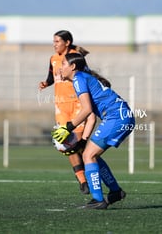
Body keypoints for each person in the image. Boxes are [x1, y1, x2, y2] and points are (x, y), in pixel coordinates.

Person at [52, 52, 135, 209]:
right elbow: (90, 116)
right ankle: (115, 192)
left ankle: (98, 200)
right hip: (121, 117)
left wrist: (67, 128)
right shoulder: (83, 77)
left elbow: (86, 109)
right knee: (90, 154)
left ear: (73, 67)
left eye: (63, 64)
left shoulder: (78, 79)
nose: (60, 67)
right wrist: (83, 141)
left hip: (116, 117)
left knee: (88, 156)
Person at [39, 30, 96, 195]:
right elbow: (51, 77)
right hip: (61, 107)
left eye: (57, 41)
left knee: (78, 144)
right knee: (66, 144)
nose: (54, 44)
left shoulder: (75, 58)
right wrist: (46, 83)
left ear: (67, 42)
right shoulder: (53, 59)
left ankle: (92, 173)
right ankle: (83, 181)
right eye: (54, 41)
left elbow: (87, 76)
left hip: (78, 104)